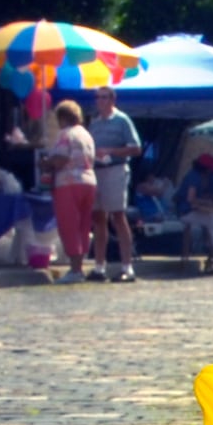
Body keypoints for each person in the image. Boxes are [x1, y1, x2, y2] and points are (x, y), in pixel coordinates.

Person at [86, 87, 141, 283]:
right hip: (97, 170)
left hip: (116, 170)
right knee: (98, 218)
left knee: (118, 215)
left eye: (103, 97)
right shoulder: (94, 123)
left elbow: (135, 147)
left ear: (112, 99)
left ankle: (127, 266)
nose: (99, 101)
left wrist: (112, 151)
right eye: (97, 97)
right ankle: (100, 266)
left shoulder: (122, 120)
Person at [45, 101, 97, 284]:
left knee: (69, 225)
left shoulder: (65, 134)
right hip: (89, 182)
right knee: (83, 225)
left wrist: (46, 163)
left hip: (68, 183)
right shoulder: (86, 135)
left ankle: (75, 270)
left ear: (63, 118)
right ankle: (79, 266)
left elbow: (60, 159)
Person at [179, 153, 213, 272]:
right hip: (186, 212)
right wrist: (206, 206)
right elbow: (191, 200)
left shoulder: (196, 175)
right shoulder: (194, 177)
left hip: (191, 210)